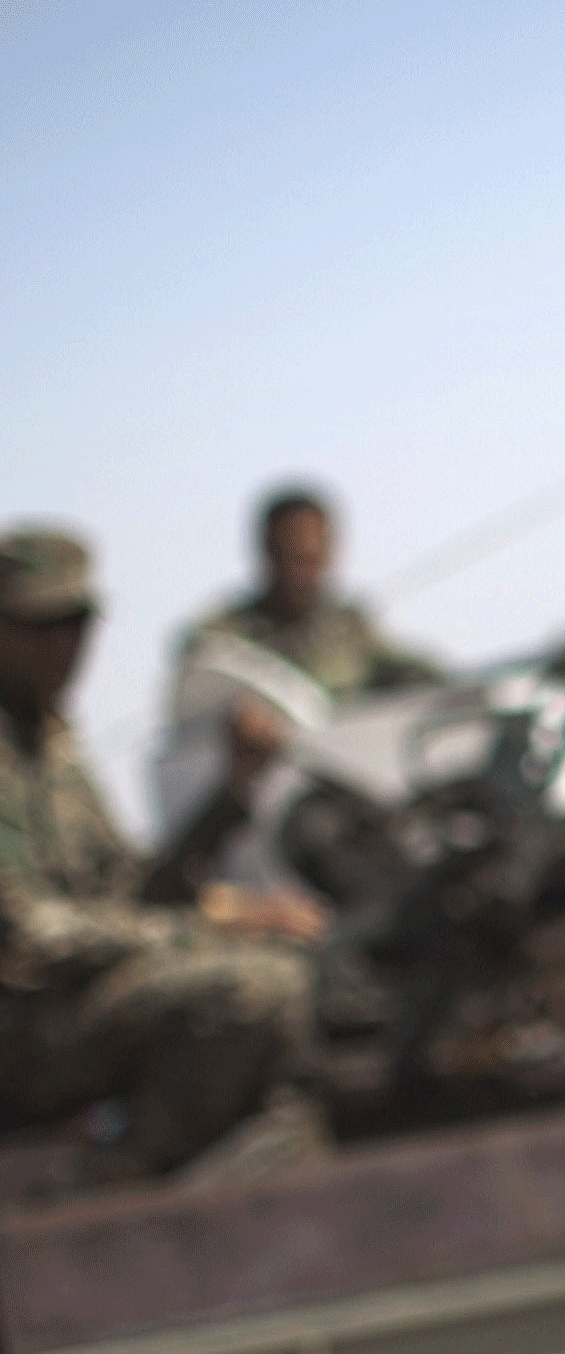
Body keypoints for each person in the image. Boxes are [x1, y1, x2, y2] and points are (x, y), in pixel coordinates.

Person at [0, 524, 326, 1181]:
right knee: (254, 990)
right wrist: (209, 925)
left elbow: (131, 889)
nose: (66, 647)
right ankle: (115, 1188)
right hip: (27, 1024)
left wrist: (233, 789)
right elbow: (29, 931)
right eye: (42, 625)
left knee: (316, 972)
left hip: (76, 1005)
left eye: (78, 624)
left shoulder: (51, 743)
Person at [183, 484, 447, 706]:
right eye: (293, 557)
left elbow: (409, 669)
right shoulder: (226, 631)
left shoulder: (350, 628)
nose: (303, 573)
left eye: (313, 559)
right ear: (267, 552)